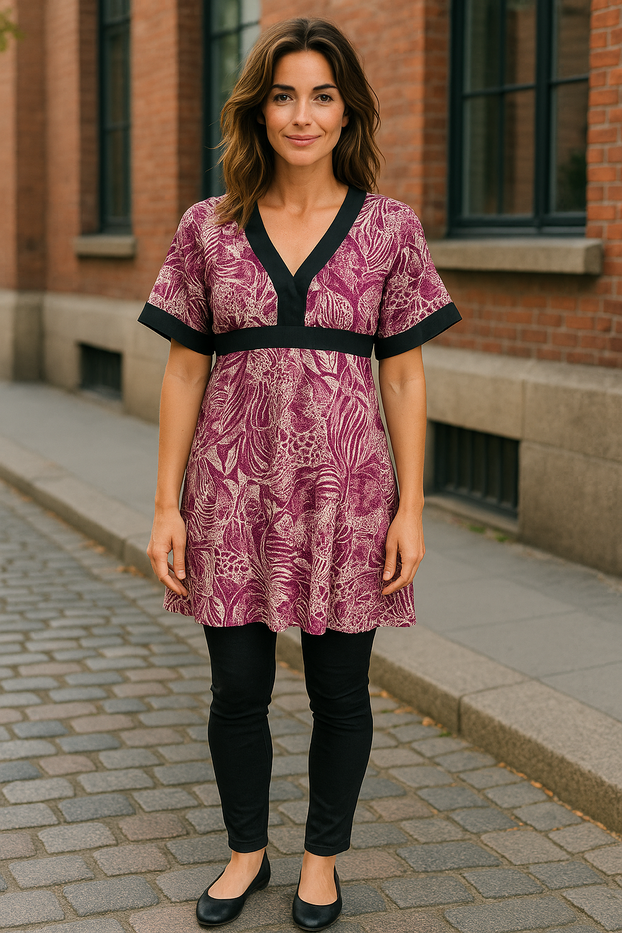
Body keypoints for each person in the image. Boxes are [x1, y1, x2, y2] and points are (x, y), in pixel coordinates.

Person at [138, 16, 461, 931]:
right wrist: (165, 505)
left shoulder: (390, 228)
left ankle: (321, 860)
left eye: (322, 95)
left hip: (348, 498)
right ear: (259, 109)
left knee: (339, 693)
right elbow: (183, 370)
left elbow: (404, 374)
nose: (302, 115)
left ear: (347, 110)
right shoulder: (208, 227)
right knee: (237, 689)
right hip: (230, 494)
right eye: (283, 95)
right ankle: (248, 850)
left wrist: (411, 506)